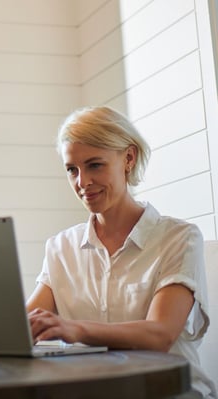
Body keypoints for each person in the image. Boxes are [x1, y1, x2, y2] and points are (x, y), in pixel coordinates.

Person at [26, 106, 216, 398]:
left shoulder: (179, 238)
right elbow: (27, 324)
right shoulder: (60, 248)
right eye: (71, 170)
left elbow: (159, 334)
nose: (82, 182)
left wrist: (75, 329)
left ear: (129, 158)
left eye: (94, 165)